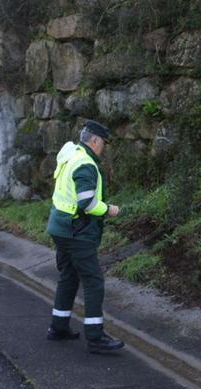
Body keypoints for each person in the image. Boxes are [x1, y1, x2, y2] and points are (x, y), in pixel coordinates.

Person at [46, 120, 124, 353]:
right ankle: (95, 336)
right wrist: (109, 209)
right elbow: (88, 203)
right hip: (77, 232)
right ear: (95, 140)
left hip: (60, 227)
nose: (104, 149)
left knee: (68, 277)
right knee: (93, 282)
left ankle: (58, 327)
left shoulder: (71, 155)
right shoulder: (86, 165)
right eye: (104, 144)